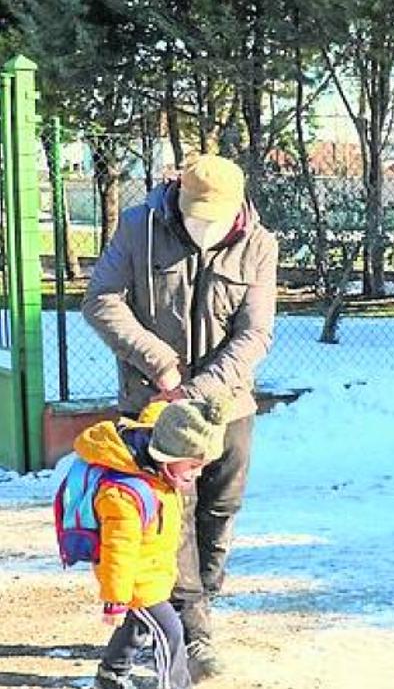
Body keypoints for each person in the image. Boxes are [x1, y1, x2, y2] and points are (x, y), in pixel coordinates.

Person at [82, 154, 278, 680]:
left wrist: (196, 389)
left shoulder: (259, 243)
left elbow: (255, 334)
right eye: (195, 217)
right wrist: (163, 367)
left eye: (214, 220)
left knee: (220, 508)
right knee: (171, 521)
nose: (203, 230)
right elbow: (100, 300)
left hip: (226, 403)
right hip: (152, 405)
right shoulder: (140, 226)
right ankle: (192, 632)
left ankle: (193, 605)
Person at [79, 398, 230, 689]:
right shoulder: (123, 494)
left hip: (154, 571)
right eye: (194, 466)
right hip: (134, 580)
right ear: (167, 454)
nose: (196, 475)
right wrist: (116, 599)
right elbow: (118, 551)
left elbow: (160, 415)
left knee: (137, 625)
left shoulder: (161, 467)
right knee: (169, 632)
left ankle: (111, 674)